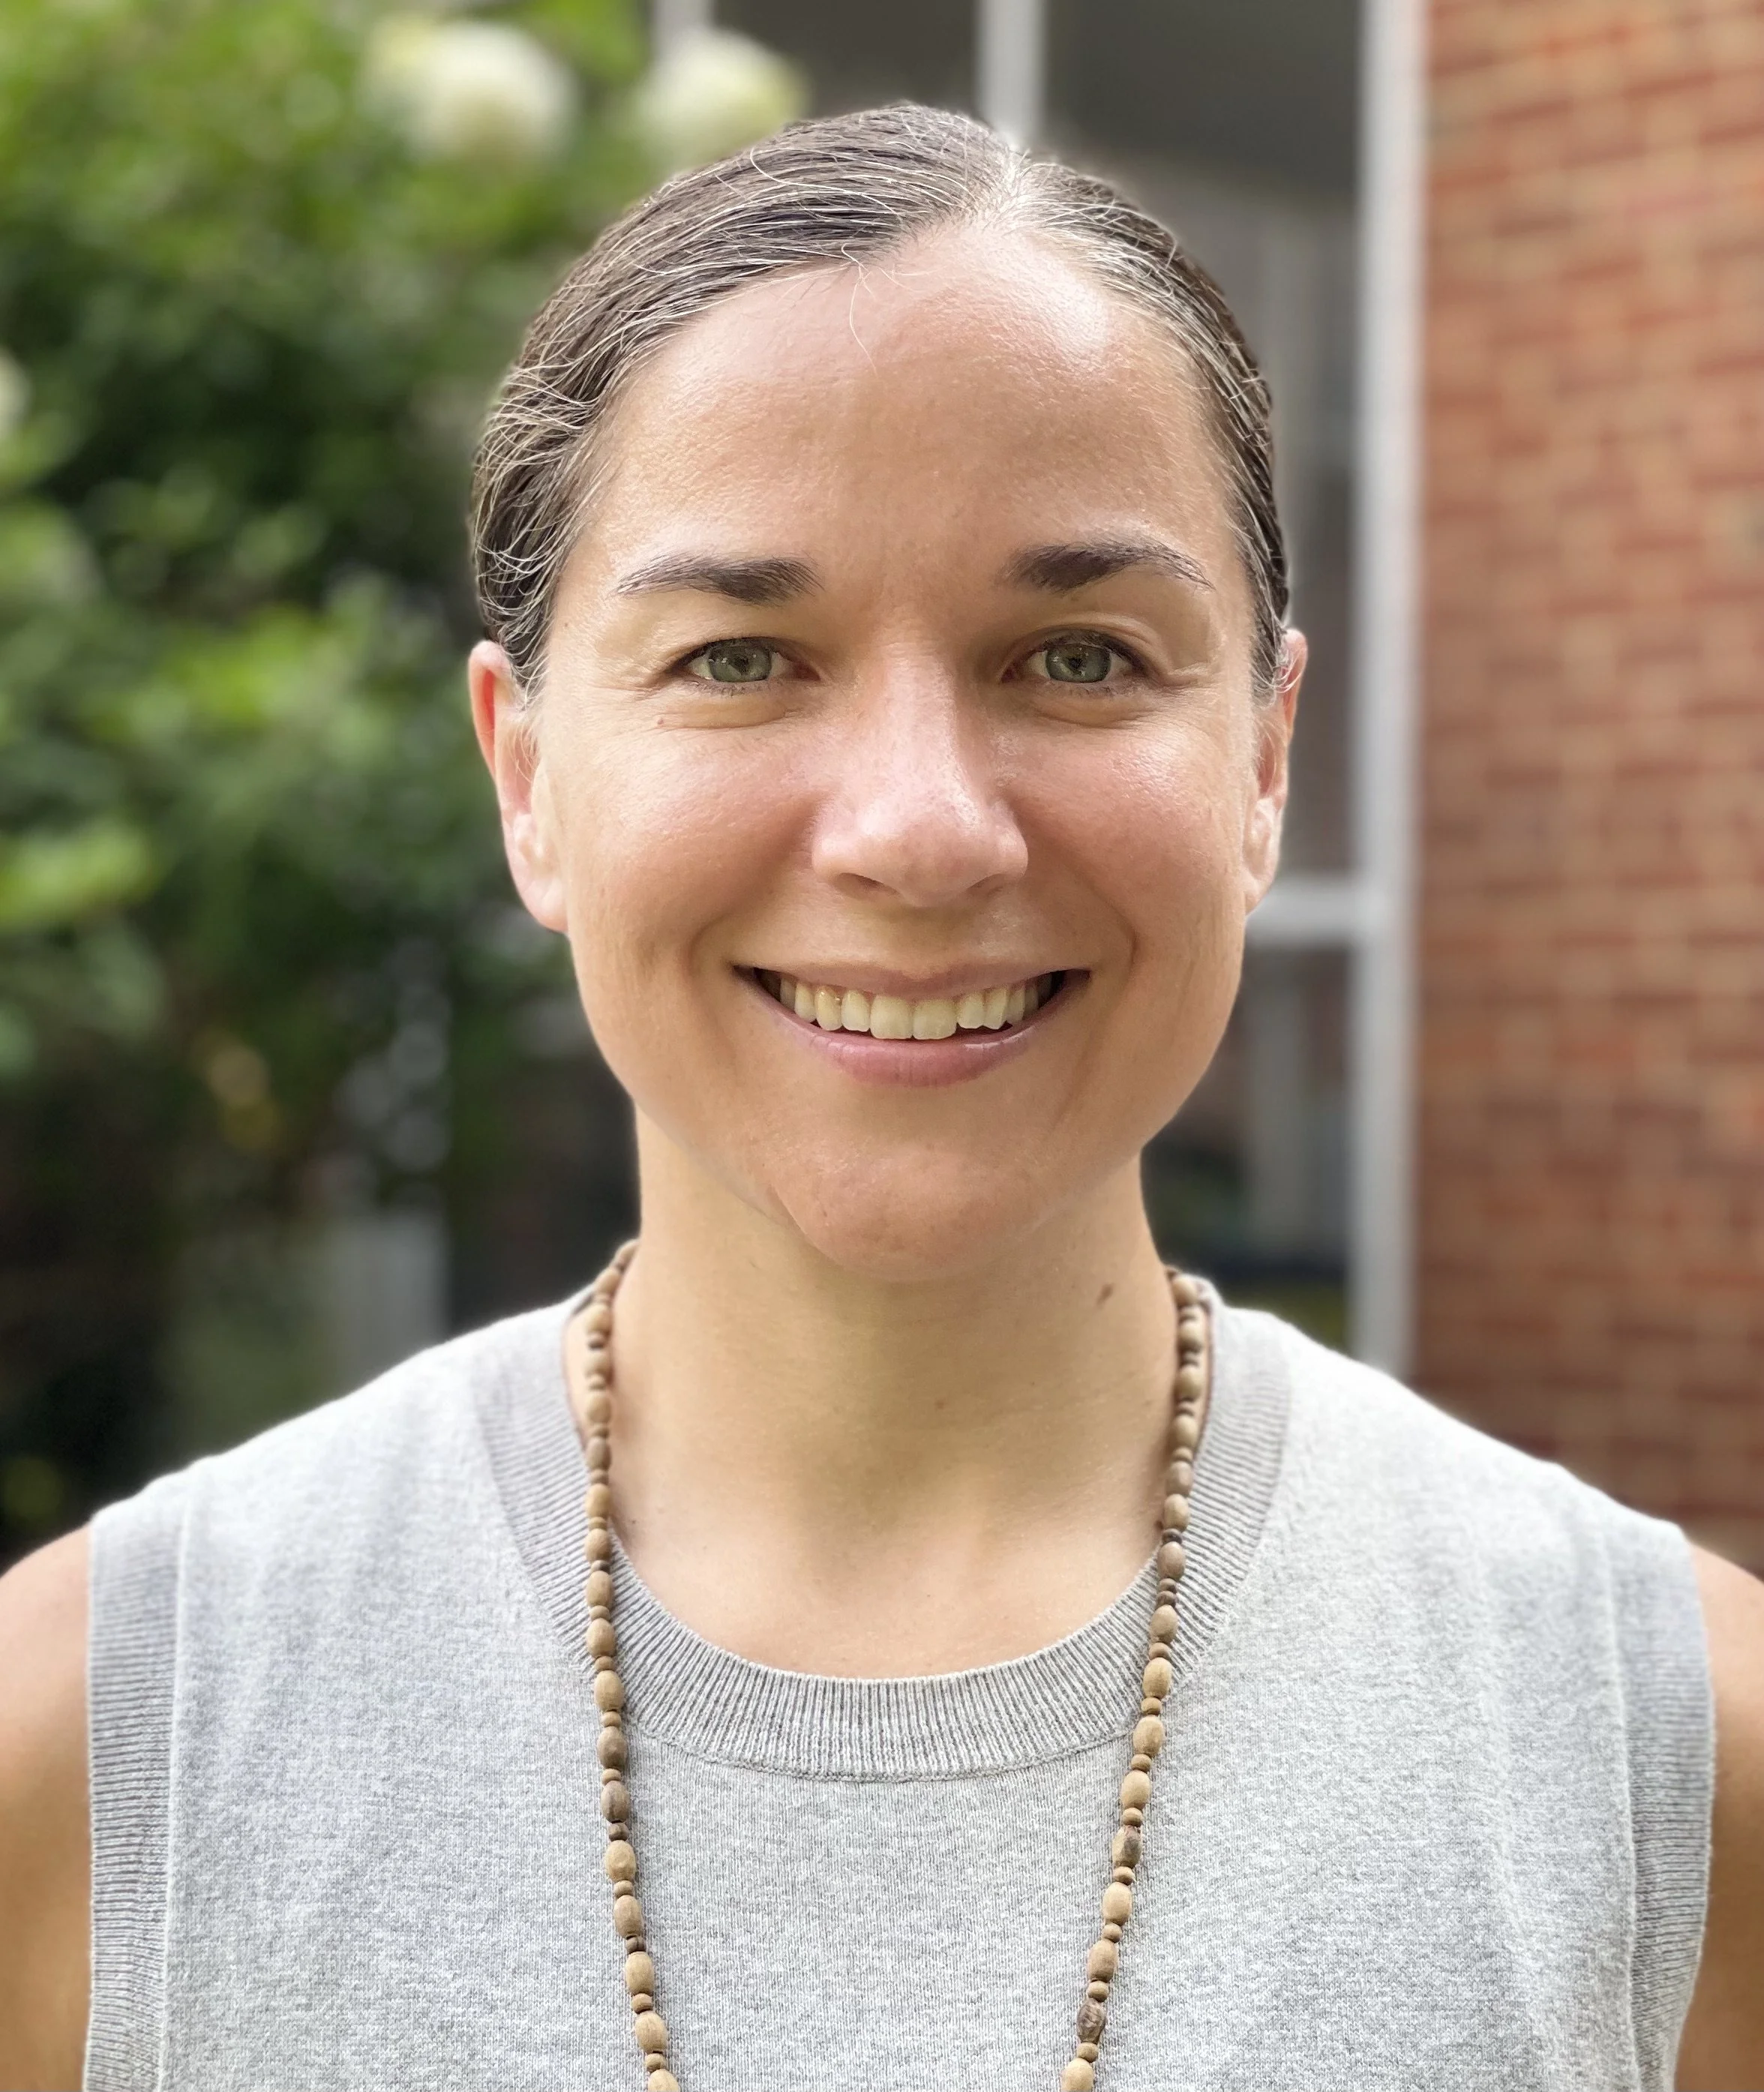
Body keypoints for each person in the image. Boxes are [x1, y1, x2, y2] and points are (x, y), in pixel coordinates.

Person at [2, 104, 1760, 2092]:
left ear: (1263, 761)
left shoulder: (1672, 1762)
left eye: (1079, 655)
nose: (921, 828)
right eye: (743, 655)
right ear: (528, 777)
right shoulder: (91, 1748)